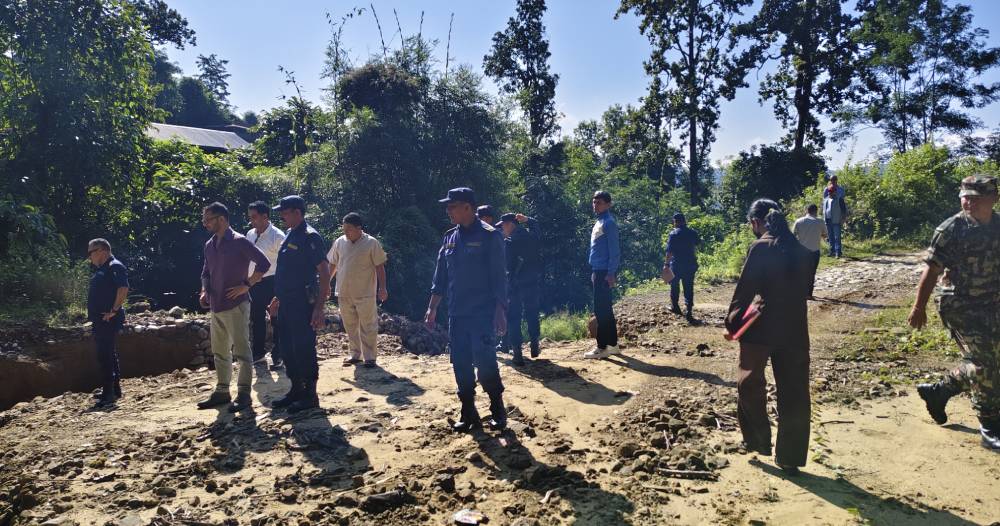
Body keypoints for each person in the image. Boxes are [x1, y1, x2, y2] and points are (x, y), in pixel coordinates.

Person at [908, 175, 1000, 452]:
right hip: (958, 305)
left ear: (993, 199)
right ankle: (990, 426)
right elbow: (931, 269)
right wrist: (918, 307)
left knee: (992, 359)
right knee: (984, 363)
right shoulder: (951, 229)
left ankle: (940, 391)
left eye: (975, 198)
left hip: (991, 304)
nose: (968, 203)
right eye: (965, 197)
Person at [726, 198, 814, 474]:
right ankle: (790, 457)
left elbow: (744, 290)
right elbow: (804, 289)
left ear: (755, 222)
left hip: (761, 327)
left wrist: (732, 324)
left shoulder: (760, 247)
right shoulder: (802, 250)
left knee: (749, 382)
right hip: (795, 329)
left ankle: (758, 440)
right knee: (795, 391)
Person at [425, 187, 509, 432]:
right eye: (448, 207)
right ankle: (468, 411)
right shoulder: (449, 237)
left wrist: (501, 311)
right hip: (457, 313)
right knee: (460, 362)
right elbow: (440, 277)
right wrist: (432, 308)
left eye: (452, 206)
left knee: (485, 361)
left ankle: (497, 407)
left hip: (483, 313)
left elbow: (499, 277)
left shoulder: (490, 236)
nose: (448, 211)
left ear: (468, 207)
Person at [198, 202, 271, 412]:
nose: (205, 224)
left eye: (208, 220)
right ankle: (222, 391)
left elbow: (264, 263)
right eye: (204, 220)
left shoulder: (239, 241)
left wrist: (247, 285)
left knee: (242, 351)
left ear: (221, 219)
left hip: (236, 305)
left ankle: (244, 394)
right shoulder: (210, 244)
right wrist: (204, 291)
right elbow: (206, 272)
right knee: (220, 351)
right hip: (216, 305)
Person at [268, 196, 332, 413]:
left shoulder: (310, 236)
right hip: (286, 303)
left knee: (303, 348)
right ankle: (296, 389)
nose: (281, 216)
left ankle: (310, 395)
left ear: (297, 212)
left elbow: (324, 272)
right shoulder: (290, 234)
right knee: (287, 348)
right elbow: (287, 271)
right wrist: (278, 297)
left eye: (284, 212)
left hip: (302, 303)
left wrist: (319, 308)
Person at [327, 212, 389, 368]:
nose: (346, 232)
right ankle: (355, 355)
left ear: (359, 228)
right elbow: (333, 263)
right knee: (350, 325)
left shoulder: (371, 243)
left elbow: (379, 266)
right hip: (344, 291)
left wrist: (382, 288)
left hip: (365, 292)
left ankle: (370, 357)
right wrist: (326, 283)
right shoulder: (340, 242)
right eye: (344, 229)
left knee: (368, 326)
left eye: (349, 229)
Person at [86, 238, 128, 406]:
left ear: (101, 250)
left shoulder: (114, 266)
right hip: (102, 319)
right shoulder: (104, 269)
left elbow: (123, 288)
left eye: (91, 252)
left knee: (105, 355)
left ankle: (108, 393)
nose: (89, 257)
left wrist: (114, 310)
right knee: (108, 353)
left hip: (108, 319)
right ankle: (114, 389)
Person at [498, 212, 542, 365]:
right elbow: (537, 227)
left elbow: (507, 266)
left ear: (510, 225)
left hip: (515, 285)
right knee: (532, 313)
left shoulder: (509, 242)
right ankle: (535, 343)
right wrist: (528, 220)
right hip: (532, 281)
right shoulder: (531, 236)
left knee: (514, 317)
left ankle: (517, 353)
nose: (502, 229)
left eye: (503, 226)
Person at [246, 201, 286, 370]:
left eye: (254, 217)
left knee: (277, 318)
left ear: (265, 216)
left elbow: (285, 263)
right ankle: (258, 354)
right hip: (255, 282)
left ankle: (279, 356)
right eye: (250, 217)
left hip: (273, 281)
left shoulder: (278, 236)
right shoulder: (250, 234)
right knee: (256, 318)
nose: (251, 221)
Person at [585, 190, 621, 359]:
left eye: (599, 202)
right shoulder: (599, 221)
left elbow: (614, 251)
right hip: (598, 270)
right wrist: (595, 271)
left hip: (605, 272)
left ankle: (602, 347)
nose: (595, 205)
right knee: (605, 309)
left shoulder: (609, 223)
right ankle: (613, 345)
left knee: (601, 310)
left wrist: (611, 273)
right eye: (594, 202)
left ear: (608, 204)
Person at [663, 212, 700, 320]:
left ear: (675, 222)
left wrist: (666, 264)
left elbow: (669, 252)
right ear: (685, 221)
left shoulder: (673, 234)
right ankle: (689, 310)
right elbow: (697, 244)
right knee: (688, 286)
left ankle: (675, 307)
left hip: (677, 264)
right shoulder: (692, 232)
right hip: (690, 264)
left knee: (674, 285)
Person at [793, 204, 826, 299]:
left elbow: (793, 235)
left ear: (807, 210)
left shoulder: (799, 221)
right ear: (816, 211)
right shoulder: (820, 222)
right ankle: (808, 294)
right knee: (812, 273)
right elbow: (825, 235)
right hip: (814, 251)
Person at [822, 175, 847, 257]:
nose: (829, 193)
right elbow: (824, 209)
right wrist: (824, 219)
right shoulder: (826, 199)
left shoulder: (839, 199)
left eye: (831, 192)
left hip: (836, 220)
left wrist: (843, 219)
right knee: (830, 237)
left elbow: (843, 210)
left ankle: (838, 252)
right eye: (829, 192)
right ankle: (831, 251)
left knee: (837, 237)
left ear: (835, 192)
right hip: (828, 220)